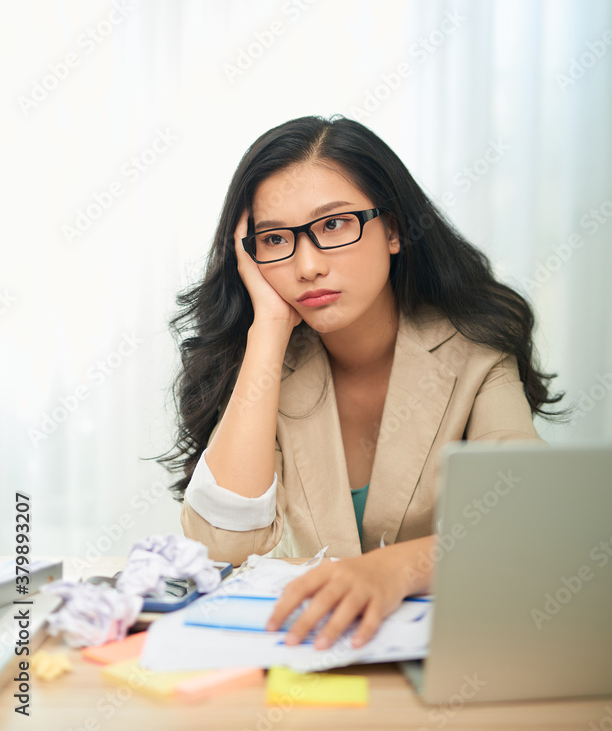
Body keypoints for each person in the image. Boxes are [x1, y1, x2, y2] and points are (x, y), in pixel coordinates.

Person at [159, 114, 564, 650]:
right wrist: (270, 329)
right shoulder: (260, 357)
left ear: (393, 230)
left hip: (449, 656)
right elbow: (222, 548)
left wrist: (394, 570)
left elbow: (533, 520)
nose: (306, 266)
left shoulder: (476, 347)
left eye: (333, 225)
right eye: (276, 239)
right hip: (307, 652)